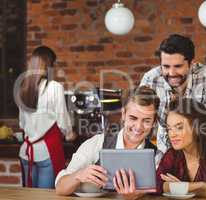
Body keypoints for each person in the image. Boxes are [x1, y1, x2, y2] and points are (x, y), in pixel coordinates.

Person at [140, 34, 206, 168]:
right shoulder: (151, 80)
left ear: (191, 63)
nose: (171, 73)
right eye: (166, 66)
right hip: (165, 156)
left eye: (178, 66)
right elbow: (141, 127)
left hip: (202, 157)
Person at [55, 86, 160, 199]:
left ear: (154, 122)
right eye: (133, 118)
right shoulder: (97, 143)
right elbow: (61, 188)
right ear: (123, 114)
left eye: (146, 120)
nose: (138, 127)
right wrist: (78, 175)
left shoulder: (156, 157)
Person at [15, 46, 75, 188]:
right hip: (46, 152)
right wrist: (70, 134)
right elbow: (63, 122)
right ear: (50, 65)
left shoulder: (22, 88)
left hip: (26, 152)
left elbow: (22, 124)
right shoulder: (54, 87)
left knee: (29, 197)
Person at [156, 98, 206, 199]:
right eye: (169, 128)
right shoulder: (172, 155)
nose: (172, 134)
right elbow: (156, 185)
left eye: (179, 127)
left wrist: (182, 189)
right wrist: (203, 186)